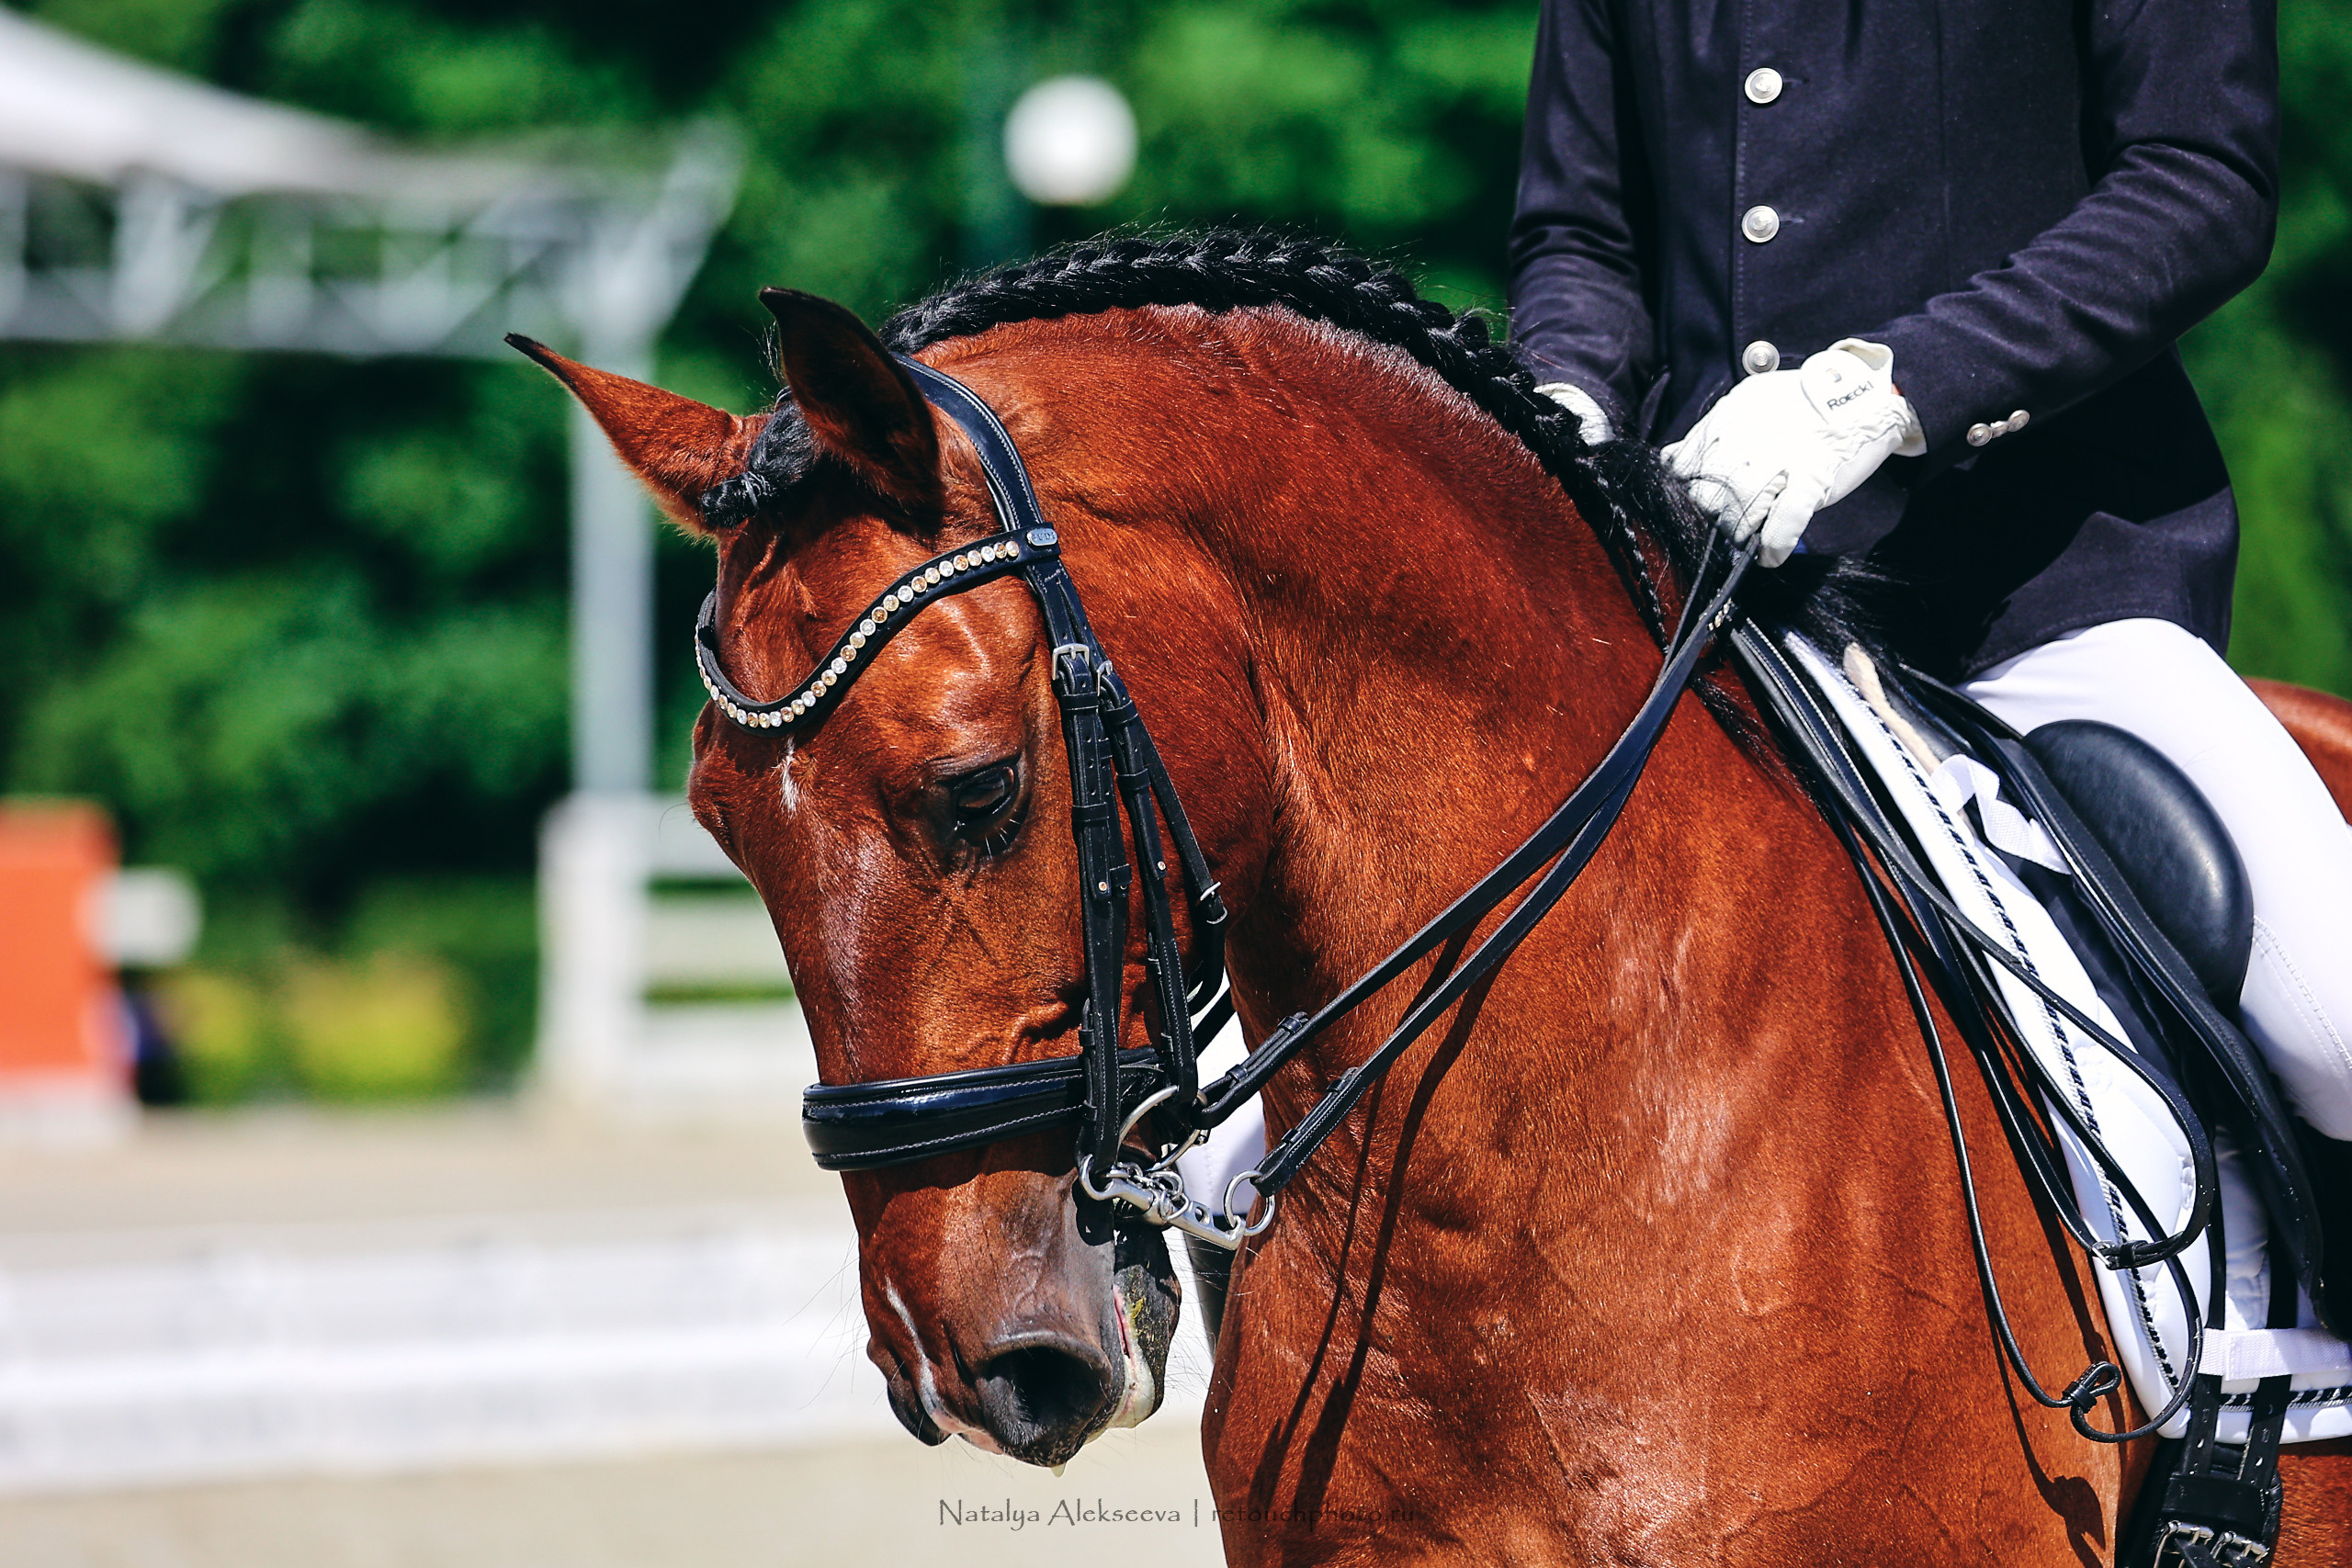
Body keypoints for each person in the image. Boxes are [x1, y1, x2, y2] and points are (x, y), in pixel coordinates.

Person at [1505, 0, 2352, 1158]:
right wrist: (1566, 407)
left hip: (2034, 589)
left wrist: (1892, 390)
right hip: (1697, 587)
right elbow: (1582, 236)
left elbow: (2197, 183)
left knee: (2338, 1029)